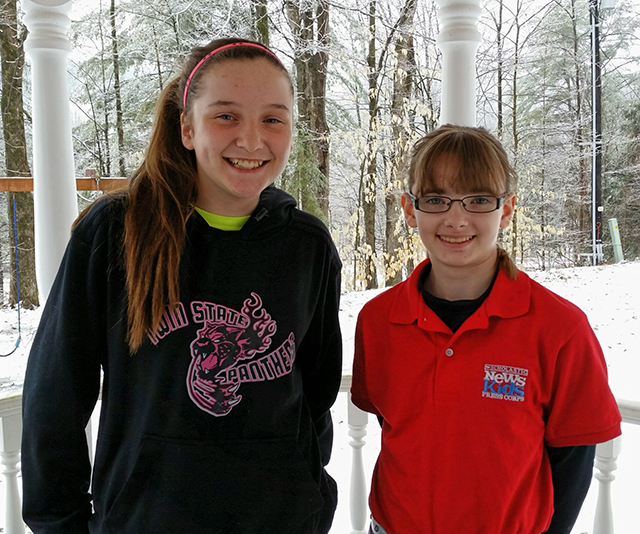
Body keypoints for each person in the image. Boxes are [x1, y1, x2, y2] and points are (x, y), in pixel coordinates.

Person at [22, 38, 342, 534]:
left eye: (273, 119)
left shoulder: (307, 245)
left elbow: (315, 395)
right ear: (187, 129)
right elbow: (55, 400)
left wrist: (310, 500)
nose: (253, 140)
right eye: (226, 116)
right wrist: (59, 524)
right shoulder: (117, 231)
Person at [351, 125, 621, 534]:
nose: (456, 219)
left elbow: (574, 460)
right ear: (411, 209)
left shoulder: (560, 328)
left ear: (507, 209)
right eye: (436, 199)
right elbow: (396, 430)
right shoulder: (378, 320)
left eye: (478, 200)